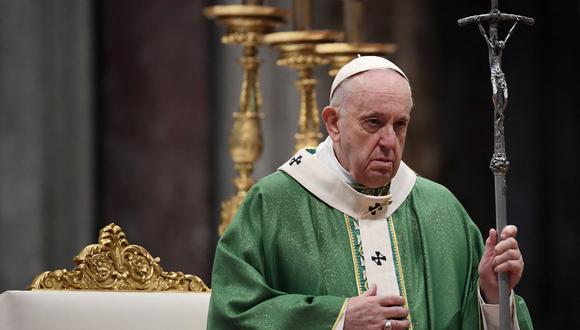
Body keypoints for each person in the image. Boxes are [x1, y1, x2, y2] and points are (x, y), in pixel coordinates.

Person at [208, 56, 533, 329]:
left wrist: (492, 295)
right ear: (333, 123)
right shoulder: (275, 203)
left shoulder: (440, 209)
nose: (390, 141)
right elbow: (233, 312)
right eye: (373, 123)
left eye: (400, 125)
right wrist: (337, 319)